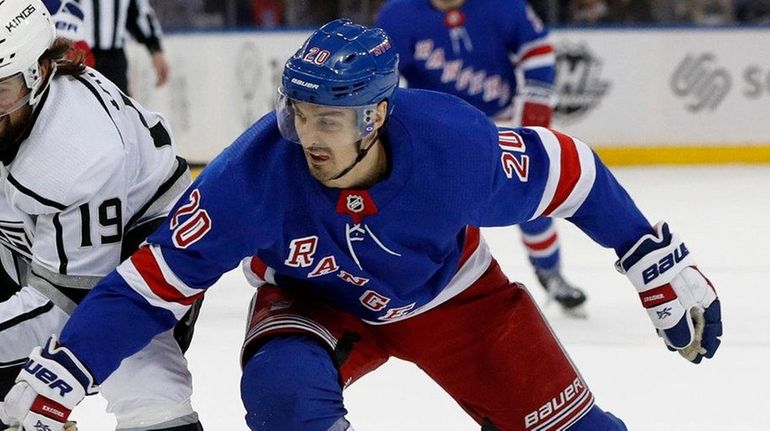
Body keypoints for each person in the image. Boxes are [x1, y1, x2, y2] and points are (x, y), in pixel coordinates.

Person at [4, 19, 722, 431]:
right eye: (298, 112)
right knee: (282, 396)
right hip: (312, 301)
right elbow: (149, 283)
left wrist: (651, 257)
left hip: (453, 299)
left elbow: (573, 171)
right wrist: (69, 366)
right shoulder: (252, 174)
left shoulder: (453, 150)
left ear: (377, 115)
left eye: (329, 119)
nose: (307, 135)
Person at [0, 1, 202, 430]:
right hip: (32, 241)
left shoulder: (79, 152)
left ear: (39, 73)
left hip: (135, 252)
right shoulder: (22, 111)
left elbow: (69, 307)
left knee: (142, 376)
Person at [376, 0, 589, 315]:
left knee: (532, 201)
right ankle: (425, 289)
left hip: (498, 124)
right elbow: (386, 76)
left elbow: (536, 47)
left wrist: (536, 97)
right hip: (439, 135)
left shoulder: (502, 5)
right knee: (433, 215)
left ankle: (551, 272)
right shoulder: (398, 15)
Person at [79, 0, 170, 94]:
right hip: (77, 57)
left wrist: (155, 50)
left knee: (118, 105)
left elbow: (138, 13)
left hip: (113, 59)